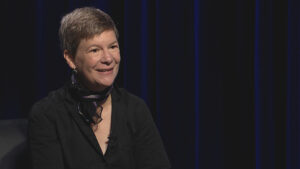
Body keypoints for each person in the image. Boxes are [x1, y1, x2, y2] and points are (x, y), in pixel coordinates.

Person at [28, 7, 171, 169]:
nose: (108, 58)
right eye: (95, 50)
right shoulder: (47, 114)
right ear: (70, 59)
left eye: (112, 47)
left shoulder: (136, 109)